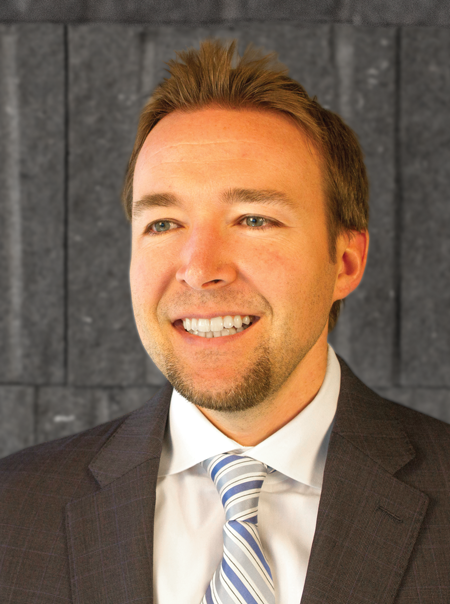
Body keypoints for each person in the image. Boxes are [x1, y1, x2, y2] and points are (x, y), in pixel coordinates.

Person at [0, 39, 449, 604]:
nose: (199, 270)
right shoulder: (13, 511)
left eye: (253, 219)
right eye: (163, 224)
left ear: (345, 262)